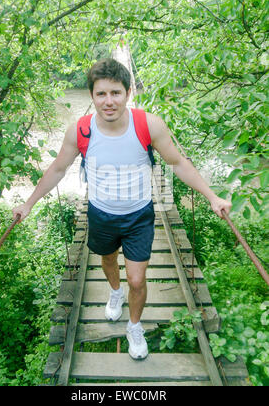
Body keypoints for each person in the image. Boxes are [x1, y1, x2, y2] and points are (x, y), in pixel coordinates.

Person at [12, 58, 231, 360]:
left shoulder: (148, 124)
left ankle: (135, 325)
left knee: (138, 279)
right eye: (101, 94)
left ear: (128, 93)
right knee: (107, 261)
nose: (108, 101)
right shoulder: (81, 130)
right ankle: (116, 292)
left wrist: (211, 196)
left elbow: (178, 163)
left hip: (139, 215)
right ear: (92, 96)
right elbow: (58, 169)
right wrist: (28, 203)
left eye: (115, 93)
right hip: (100, 214)